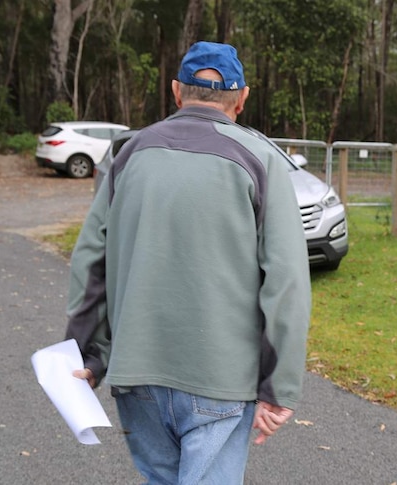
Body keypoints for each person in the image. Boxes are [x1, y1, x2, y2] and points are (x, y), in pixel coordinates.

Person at [64, 41, 311, 484]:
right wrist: (279, 386)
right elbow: (287, 280)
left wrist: (88, 354)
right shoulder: (262, 162)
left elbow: (90, 262)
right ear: (242, 98)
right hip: (220, 377)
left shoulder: (130, 153)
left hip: (136, 372)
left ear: (177, 91)